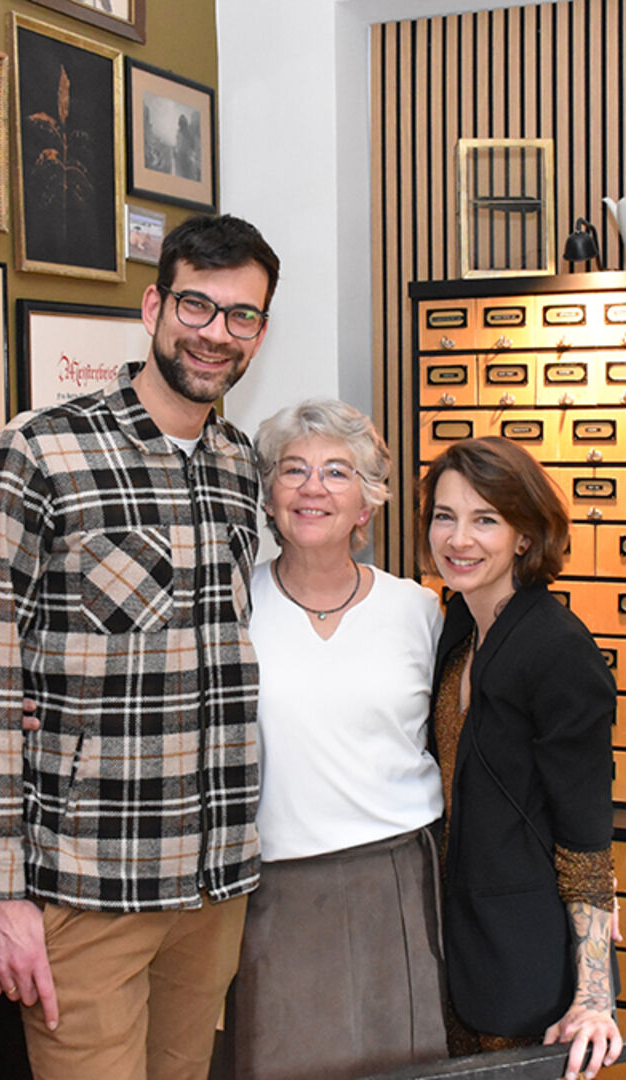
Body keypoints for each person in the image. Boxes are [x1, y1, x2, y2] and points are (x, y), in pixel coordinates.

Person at [0, 213, 280, 1080]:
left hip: (214, 887)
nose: (216, 334)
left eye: (241, 315)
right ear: (154, 304)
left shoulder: (240, 464)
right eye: (197, 307)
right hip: (88, 890)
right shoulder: (37, 452)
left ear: (261, 332)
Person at [224, 399, 446, 1080]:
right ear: (268, 497)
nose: (312, 488)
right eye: (292, 471)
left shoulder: (420, 609)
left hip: (398, 882)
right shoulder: (232, 605)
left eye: (336, 472)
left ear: (367, 504)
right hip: (275, 888)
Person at [420, 436, 622, 1080]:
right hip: (458, 946)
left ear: (525, 536)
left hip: (528, 961)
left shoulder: (557, 649)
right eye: (445, 516)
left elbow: (584, 829)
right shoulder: (458, 626)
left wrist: (594, 996)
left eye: (486, 519)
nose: (459, 539)